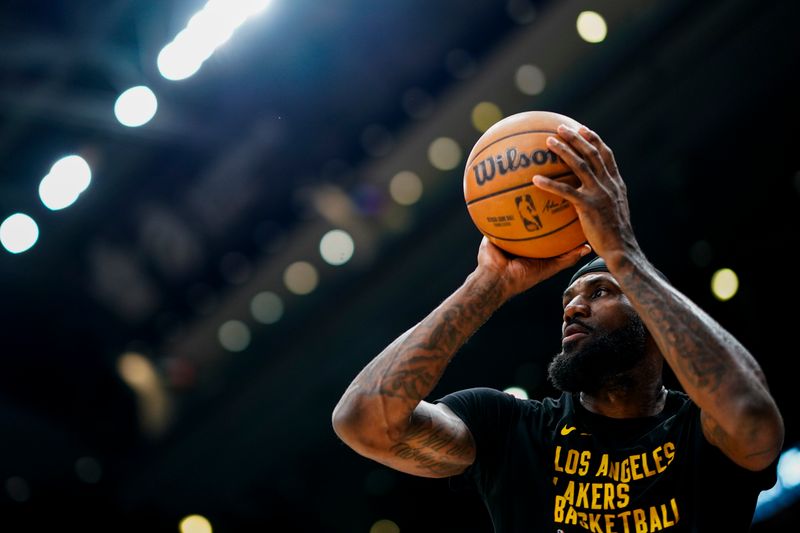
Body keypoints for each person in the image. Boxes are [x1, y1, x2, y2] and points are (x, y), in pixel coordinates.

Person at [331, 123, 784, 532]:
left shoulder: (699, 430)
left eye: (602, 292)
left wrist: (624, 254)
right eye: (568, 299)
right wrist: (486, 286)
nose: (573, 309)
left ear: (655, 315)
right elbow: (363, 424)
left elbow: (754, 418)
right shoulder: (511, 429)